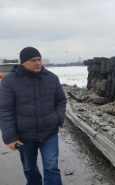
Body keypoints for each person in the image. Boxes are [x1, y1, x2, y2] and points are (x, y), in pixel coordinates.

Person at [0, 46, 67, 185]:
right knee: (29, 168)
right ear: (23, 62)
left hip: (49, 133)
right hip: (24, 136)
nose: (38, 63)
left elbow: (61, 100)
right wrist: (9, 137)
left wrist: (58, 118)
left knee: (52, 168)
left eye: (39, 59)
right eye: (33, 60)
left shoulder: (52, 78)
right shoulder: (9, 81)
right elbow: (5, 110)